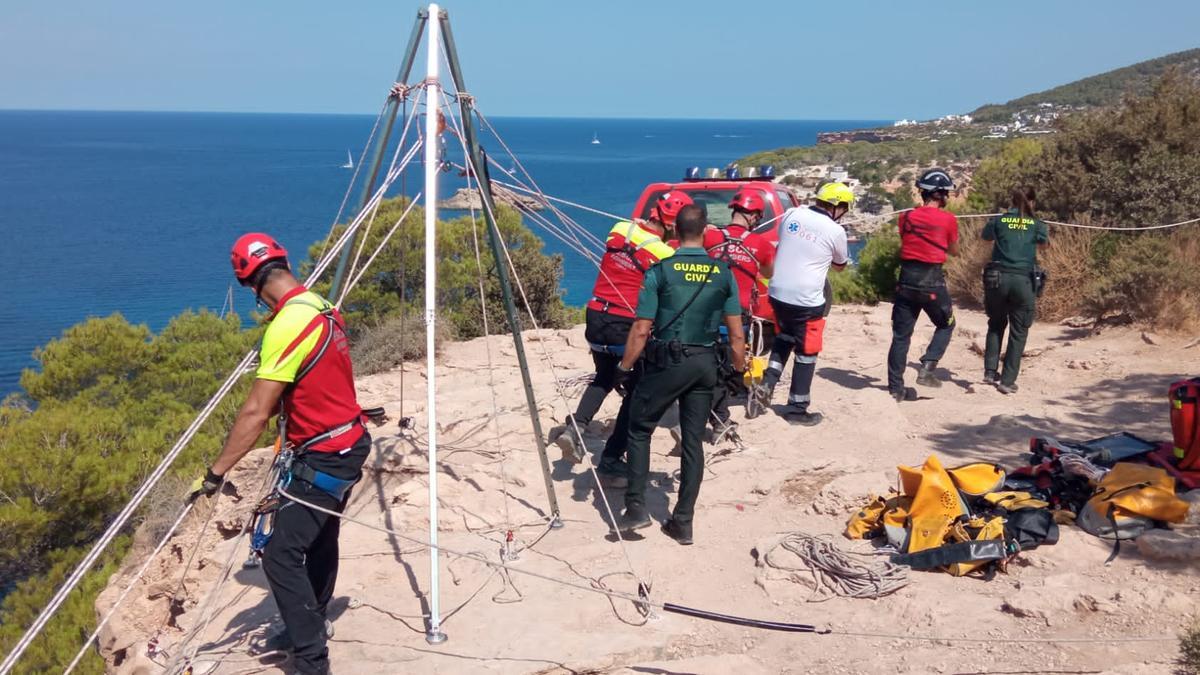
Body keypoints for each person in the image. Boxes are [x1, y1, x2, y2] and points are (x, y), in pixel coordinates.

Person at [190, 233, 370, 675]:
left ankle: (311, 660)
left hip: (324, 453)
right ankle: (309, 621)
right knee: (321, 537)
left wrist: (215, 473)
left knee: (280, 556)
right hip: (348, 441)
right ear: (283, 264)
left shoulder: (287, 325)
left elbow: (255, 412)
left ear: (250, 285)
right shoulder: (321, 306)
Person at [612, 204, 746, 544]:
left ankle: (636, 507)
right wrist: (738, 373)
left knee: (640, 427)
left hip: (668, 361)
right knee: (692, 440)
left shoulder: (661, 270)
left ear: (674, 233)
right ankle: (683, 521)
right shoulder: (722, 272)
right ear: (704, 232)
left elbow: (642, 329)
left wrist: (624, 368)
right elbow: (736, 334)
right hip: (705, 364)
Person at [547, 192, 691, 486]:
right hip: (624, 323)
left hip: (596, 314)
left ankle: (575, 429)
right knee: (638, 388)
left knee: (604, 376)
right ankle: (612, 461)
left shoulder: (619, 229)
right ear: (673, 225)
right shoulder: (665, 255)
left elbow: (632, 236)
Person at [750, 182, 853, 426]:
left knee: (785, 338)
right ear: (838, 206)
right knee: (807, 352)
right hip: (807, 300)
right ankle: (797, 407)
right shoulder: (835, 230)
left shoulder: (791, 214)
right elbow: (840, 266)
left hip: (777, 292)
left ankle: (768, 383)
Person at [701, 187, 775, 441]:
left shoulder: (709, 236)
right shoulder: (760, 244)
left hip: (706, 311)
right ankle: (719, 418)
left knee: (709, 362)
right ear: (754, 216)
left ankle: (714, 408)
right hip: (738, 314)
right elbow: (768, 273)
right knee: (727, 366)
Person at [886, 168, 960, 402]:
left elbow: (907, 241)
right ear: (940, 194)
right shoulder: (948, 220)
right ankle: (927, 367)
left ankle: (896, 389)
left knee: (900, 336)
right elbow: (954, 251)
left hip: (906, 280)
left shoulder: (905, 217)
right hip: (932, 282)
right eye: (946, 192)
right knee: (947, 324)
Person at [982, 187, 1049, 394]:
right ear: (1033, 202)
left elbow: (985, 237)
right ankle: (1007, 380)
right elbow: (1044, 245)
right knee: (1019, 331)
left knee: (996, 324)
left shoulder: (999, 220)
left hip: (997, 279)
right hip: (1023, 281)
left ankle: (990, 372)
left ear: (1011, 202)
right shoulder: (1037, 224)